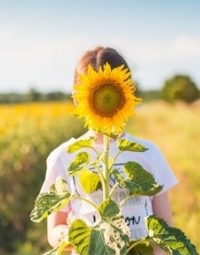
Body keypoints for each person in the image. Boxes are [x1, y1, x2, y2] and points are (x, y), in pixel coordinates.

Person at [39, 46, 179, 254]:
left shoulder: (148, 153)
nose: (104, 100)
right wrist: (84, 236)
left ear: (128, 93)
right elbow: (54, 231)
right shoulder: (64, 156)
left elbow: (164, 229)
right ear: (77, 98)